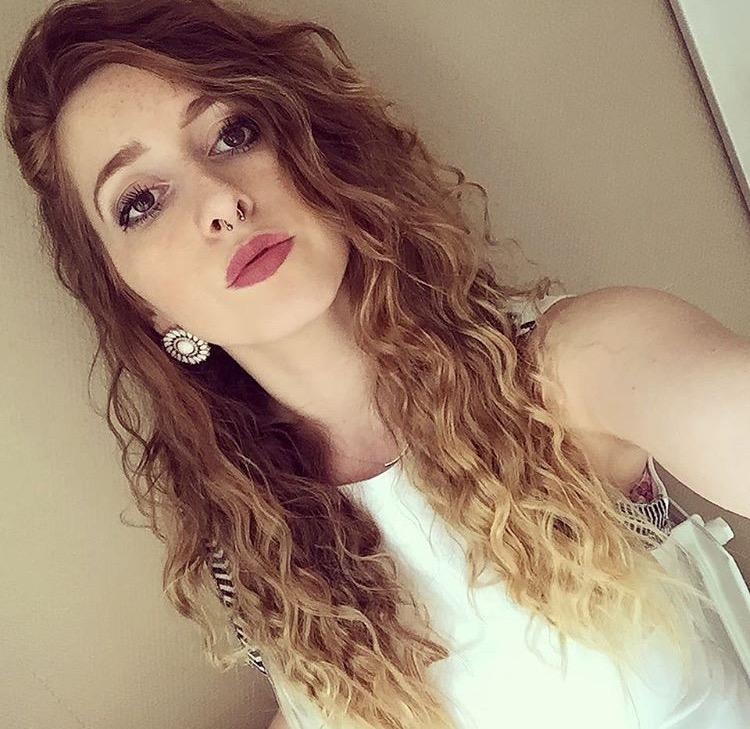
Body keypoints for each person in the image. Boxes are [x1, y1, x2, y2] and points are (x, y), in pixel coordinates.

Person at [5, 1, 750, 727]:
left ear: (312, 152)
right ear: (141, 303)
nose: (221, 202)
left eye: (233, 133)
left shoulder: (569, 370)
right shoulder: (258, 552)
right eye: (141, 201)